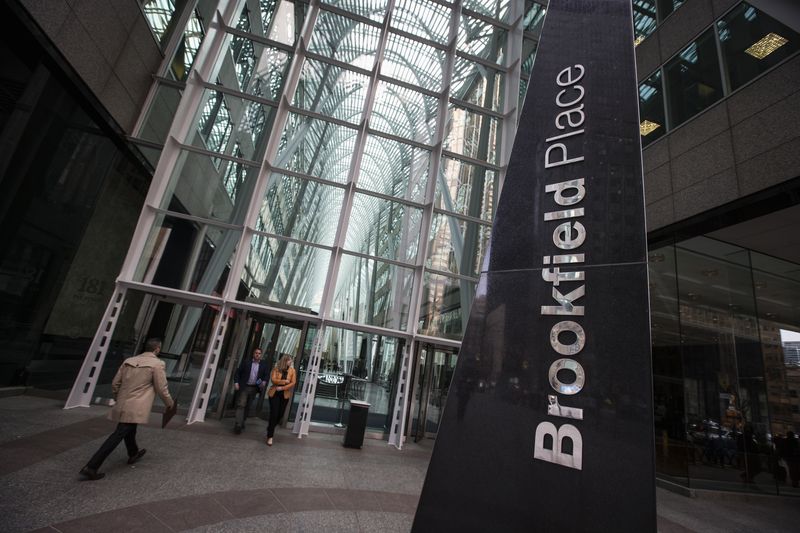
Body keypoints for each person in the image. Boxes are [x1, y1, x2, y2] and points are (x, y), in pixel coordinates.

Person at [79, 338, 174, 481]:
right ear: (157, 349)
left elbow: (115, 383)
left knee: (129, 428)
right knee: (119, 433)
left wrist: (119, 398)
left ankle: (133, 453)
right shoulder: (157, 364)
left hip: (123, 402)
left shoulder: (129, 361)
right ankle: (92, 466)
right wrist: (169, 404)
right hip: (137, 405)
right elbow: (162, 388)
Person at [233, 347, 269, 434]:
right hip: (245, 387)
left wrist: (264, 382)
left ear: (261, 355)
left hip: (254, 388)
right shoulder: (246, 362)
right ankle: (238, 424)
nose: (257, 354)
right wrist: (236, 382)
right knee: (241, 404)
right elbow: (238, 372)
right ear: (253, 354)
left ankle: (243, 420)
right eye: (256, 353)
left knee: (248, 406)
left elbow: (266, 375)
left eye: (259, 353)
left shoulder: (264, 365)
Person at [265, 354, 297, 446]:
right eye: (290, 360)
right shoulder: (276, 368)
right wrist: (283, 382)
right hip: (274, 393)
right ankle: (270, 436)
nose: (291, 362)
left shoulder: (292, 371)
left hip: (284, 395)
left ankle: (270, 428)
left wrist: (282, 388)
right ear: (285, 360)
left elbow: (293, 382)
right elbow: (273, 380)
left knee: (280, 415)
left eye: (291, 360)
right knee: (274, 414)